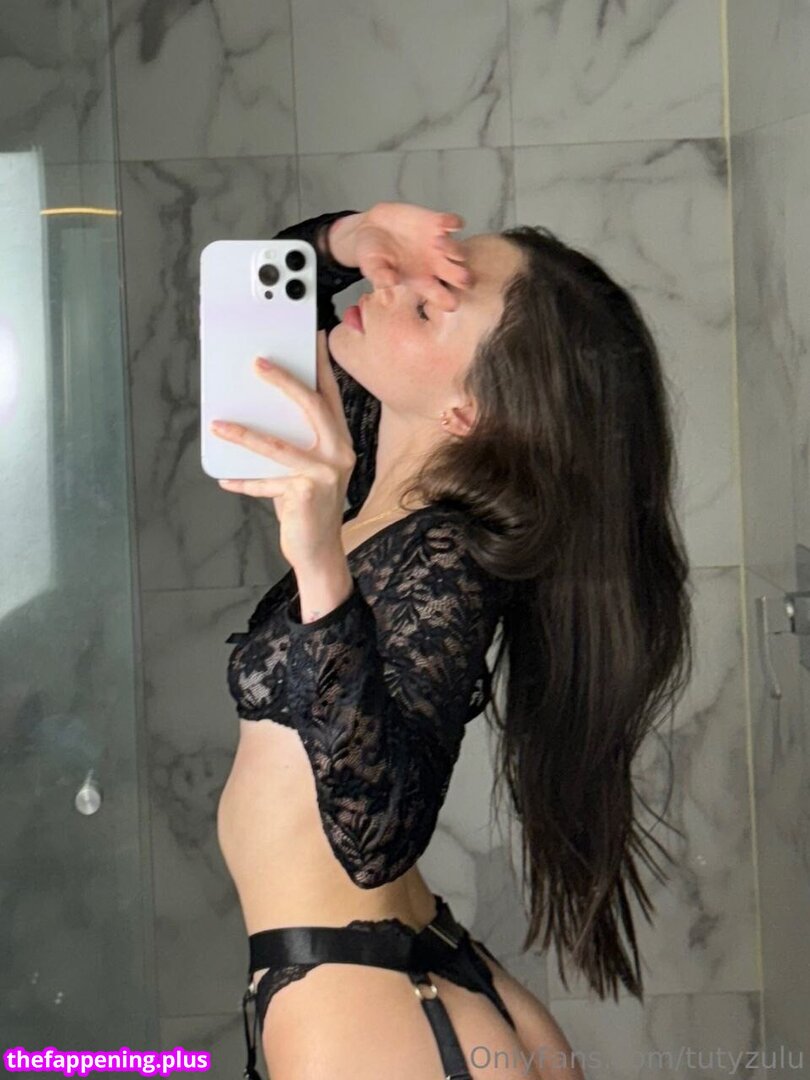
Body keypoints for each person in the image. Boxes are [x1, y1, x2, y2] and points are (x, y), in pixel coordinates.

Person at [214, 203, 693, 1079]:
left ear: (468, 413)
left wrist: (318, 560)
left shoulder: (447, 554)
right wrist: (350, 239)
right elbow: (269, 287)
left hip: (359, 1008)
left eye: (428, 305)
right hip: (377, 979)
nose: (388, 285)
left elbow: (376, 838)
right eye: (423, 270)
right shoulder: (385, 470)